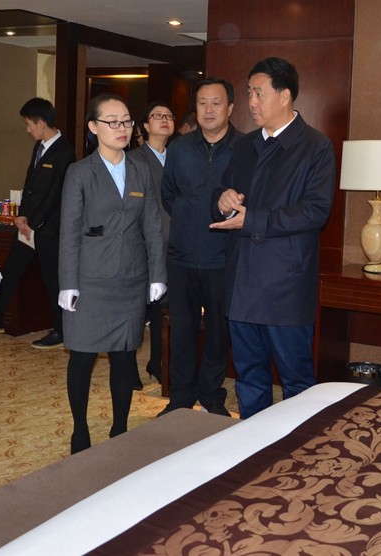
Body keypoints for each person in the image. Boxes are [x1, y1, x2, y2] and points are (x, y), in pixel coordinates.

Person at [210, 57, 335, 419]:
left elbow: (316, 210)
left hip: (285, 285)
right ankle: (255, 442)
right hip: (242, 281)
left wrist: (252, 219)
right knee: (249, 378)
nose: (251, 102)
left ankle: (299, 447)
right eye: (249, 93)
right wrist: (222, 199)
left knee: (296, 382)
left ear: (285, 95)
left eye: (259, 93)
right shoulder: (244, 145)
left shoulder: (316, 146)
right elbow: (224, 189)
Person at [58, 94, 166, 453]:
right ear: (93, 127)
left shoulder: (141, 170)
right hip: (89, 279)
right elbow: (69, 231)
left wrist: (157, 274)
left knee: (124, 356)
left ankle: (120, 429)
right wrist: (68, 283)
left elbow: (153, 225)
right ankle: (80, 430)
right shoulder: (80, 172)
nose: (122, 128)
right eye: (113, 122)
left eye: (126, 121)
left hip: (130, 278)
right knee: (82, 356)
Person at [159, 78, 242, 417]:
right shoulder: (179, 148)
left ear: (230, 108)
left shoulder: (245, 148)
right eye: (202, 103)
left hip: (223, 258)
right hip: (181, 256)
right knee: (182, 331)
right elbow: (168, 195)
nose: (208, 110)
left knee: (219, 333)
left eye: (216, 103)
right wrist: (187, 217)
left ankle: (211, 396)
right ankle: (180, 398)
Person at [0, 98, 76, 348]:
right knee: (10, 270)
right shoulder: (39, 147)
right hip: (27, 226)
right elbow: (31, 187)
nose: (27, 129)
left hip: (48, 229)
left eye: (29, 124)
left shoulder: (65, 152)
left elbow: (55, 195)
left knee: (53, 280)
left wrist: (34, 223)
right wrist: (22, 215)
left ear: (41, 123)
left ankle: (62, 330)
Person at [128, 101, 175, 386]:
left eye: (169, 116)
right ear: (145, 125)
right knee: (137, 309)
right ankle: (128, 368)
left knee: (162, 308)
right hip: (143, 243)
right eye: (157, 116)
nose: (164, 120)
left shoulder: (178, 155)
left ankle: (157, 362)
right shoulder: (134, 159)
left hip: (172, 243)